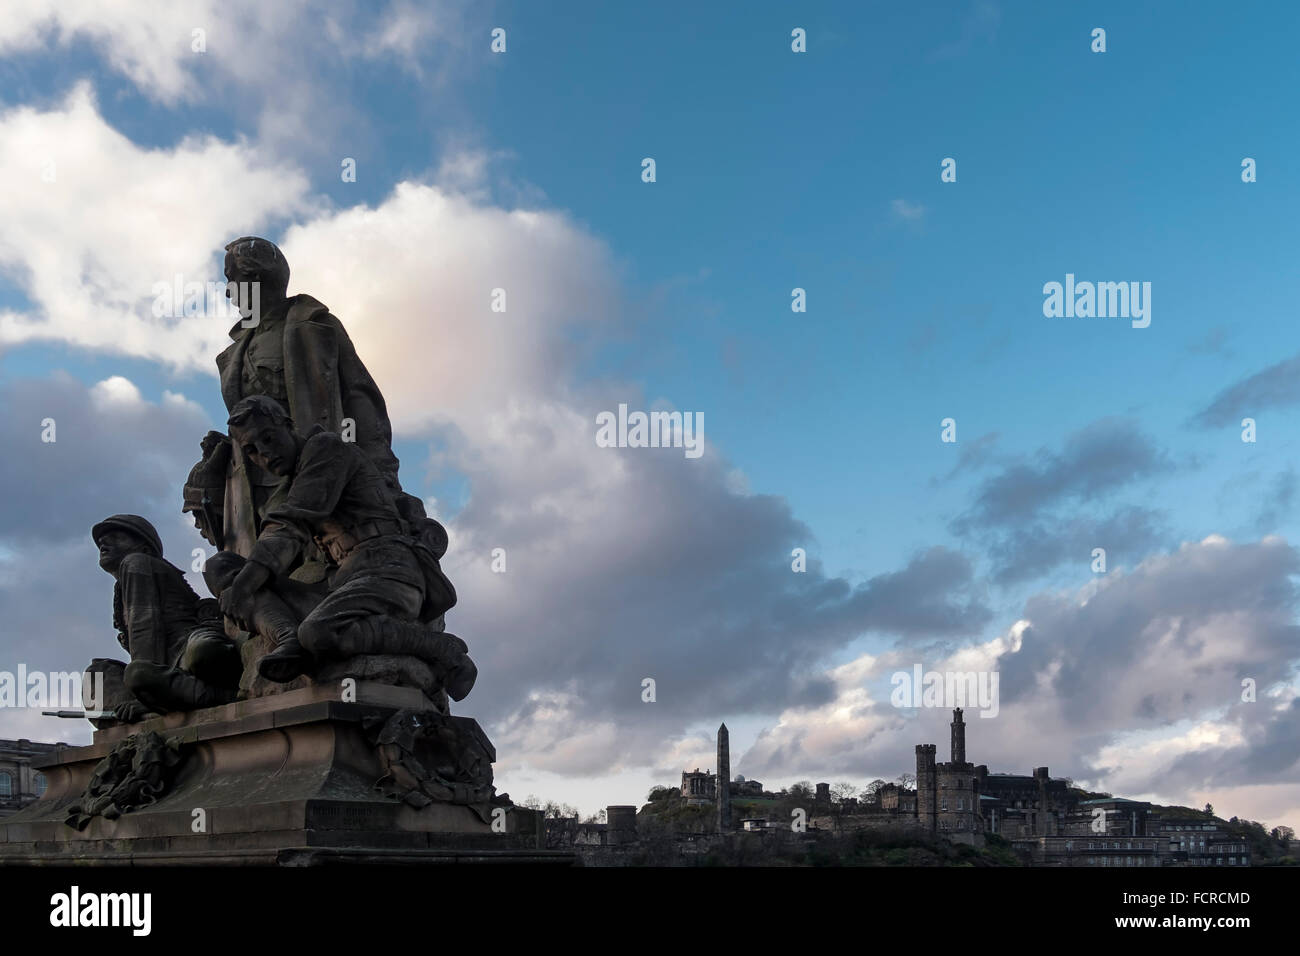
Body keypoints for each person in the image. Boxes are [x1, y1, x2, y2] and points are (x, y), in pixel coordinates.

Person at [215, 236, 445, 567]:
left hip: (316, 470)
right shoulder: (232, 353)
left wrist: (381, 474)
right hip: (257, 484)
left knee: (317, 566)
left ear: (255, 279)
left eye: (231, 279)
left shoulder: (312, 325)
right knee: (262, 573)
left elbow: (360, 401)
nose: (227, 292)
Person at [221, 397, 469, 697]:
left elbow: (291, 524)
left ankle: (440, 649)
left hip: (388, 569)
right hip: (341, 583)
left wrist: (246, 584)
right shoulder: (294, 477)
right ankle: (289, 640)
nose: (263, 453)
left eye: (269, 438)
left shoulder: (325, 448)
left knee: (318, 631)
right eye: (251, 450)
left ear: (288, 425)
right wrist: (243, 583)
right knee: (222, 569)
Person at [85, 515, 241, 724]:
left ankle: (216, 697)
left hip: (188, 652)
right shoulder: (122, 583)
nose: (103, 542)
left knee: (144, 671)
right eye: (102, 540)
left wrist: (146, 694)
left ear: (145, 547)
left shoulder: (137, 562)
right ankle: (153, 707)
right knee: (96, 674)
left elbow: (145, 625)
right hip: (165, 672)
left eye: (116, 536)